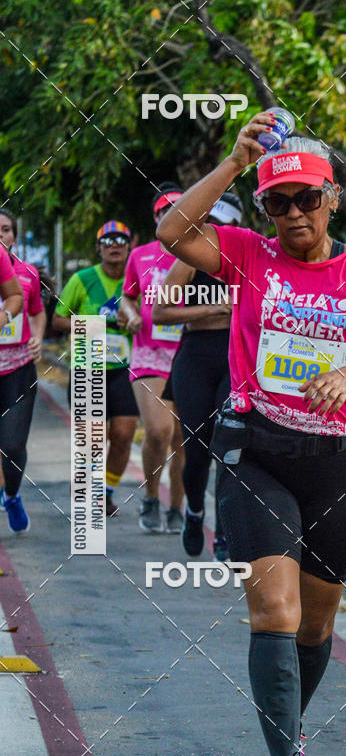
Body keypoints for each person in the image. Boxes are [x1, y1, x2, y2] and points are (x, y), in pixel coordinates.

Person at [157, 116, 346, 756]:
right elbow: (172, 233)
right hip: (256, 452)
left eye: (306, 199)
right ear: (264, 212)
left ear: (332, 199)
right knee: (274, 608)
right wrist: (236, 163)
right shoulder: (247, 255)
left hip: (335, 463)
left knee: (316, 623)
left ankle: (288, 727)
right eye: (279, 204)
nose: (294, 214)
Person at [152, 192, 243, 559]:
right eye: (209, 224)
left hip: (235, 358)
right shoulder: (190, 261)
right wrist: (215, 308)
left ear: (236, 226)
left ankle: (224, 532)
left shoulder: (247, 258)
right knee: (197, 450)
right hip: (195, 359)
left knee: (230, 446)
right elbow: (160, 312)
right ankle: (193, 512)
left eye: (222, 226)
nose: (214, 232)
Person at [52, 220, 138, 517]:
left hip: (125, 368)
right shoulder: (83, 278)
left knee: (125, 434)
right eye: (108, 241)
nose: (114, 246)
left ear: (130, 246)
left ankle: (106, 492)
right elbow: (58, 320)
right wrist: (94, 324)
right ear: (99, 248)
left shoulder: (137, 279)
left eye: (120, 240)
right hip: (87, 369)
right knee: (94, 437)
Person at [119, 183, 185, 533]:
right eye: (165, 211)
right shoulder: (140, 255)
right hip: (149, 354)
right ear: (157, 217)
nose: (173, 215)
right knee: (159, 430)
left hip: (188, 355)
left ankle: (177, 506)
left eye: (180, 208)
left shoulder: (201, 253)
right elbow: (127, 296)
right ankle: (149, 497)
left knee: (183, 440)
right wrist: (130, 313)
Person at [0, 215, 34, 531]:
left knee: (11, 446)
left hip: (16, 368)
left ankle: (11, 495)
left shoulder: (25, 272)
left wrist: (3, 317)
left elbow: (21, 300)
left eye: (6, 229)